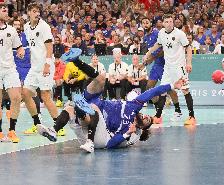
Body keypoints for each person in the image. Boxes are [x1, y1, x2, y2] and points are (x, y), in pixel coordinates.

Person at [37, 48, 186, 152]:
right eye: (148, 116)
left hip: (96, 130)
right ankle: (76, 61)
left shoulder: (131, 131)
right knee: (101, 78)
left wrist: (127, 133)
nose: (146, 117)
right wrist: (173, 85)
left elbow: (111, 144)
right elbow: (153, 91)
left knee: (89, 110)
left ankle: (87, 134)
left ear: (143, 128)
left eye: (147, 121)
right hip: (97, 107)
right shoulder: (134, 106)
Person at [143, 14, 196, 125]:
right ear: (163, 23)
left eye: (170, 21)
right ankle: (158, 116)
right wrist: (147, 54)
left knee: (185, 90)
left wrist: (189, 63)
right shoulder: (161, 33)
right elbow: (158, 44)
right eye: (166, 22)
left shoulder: (179, 34)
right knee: (163, 90)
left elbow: (188, 47)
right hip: (167, 67)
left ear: (173, 22)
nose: (169, 24)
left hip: (180, 67)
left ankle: (192, 117)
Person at [22, 3, 59, 134]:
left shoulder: (44, 27)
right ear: (29, 13)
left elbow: (49, 47)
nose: (37, 13)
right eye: (34, 11)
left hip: (45, 66)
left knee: (46, 96)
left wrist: (47, 65)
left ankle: (58, 125)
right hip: (34, 67)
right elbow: (33, 47)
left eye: (38, 11)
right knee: (25, 93)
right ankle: (37, 123)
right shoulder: (26, 27)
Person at [141, 16, 182, 124]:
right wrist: (147, 58)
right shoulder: (146, 37)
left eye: (147, 22)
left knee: (169, 89)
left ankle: (178, 110)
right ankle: (159, 111)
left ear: (151, 23)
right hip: (156, 65)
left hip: (166, 64)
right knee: (149, 87)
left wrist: (151, 58)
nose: (145, 24)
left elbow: (164, 49)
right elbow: (152, 51)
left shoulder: (157, 33)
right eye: (143, 23)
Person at [0, 3, 25, 143]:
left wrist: (21, 52)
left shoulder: (11, 30)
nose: (6, 12)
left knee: (16, 97)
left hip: (9, 69)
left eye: (6, 10)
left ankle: (11, 131)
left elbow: (19, 47)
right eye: (3, 10)